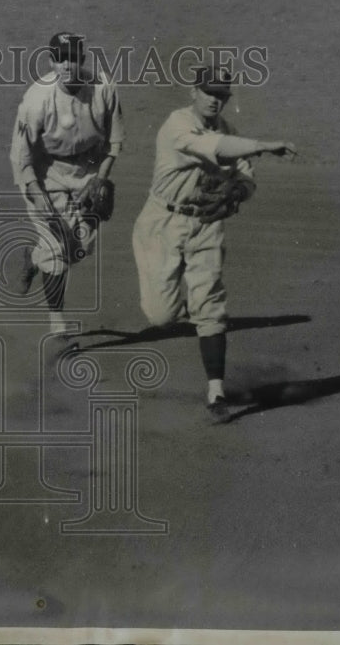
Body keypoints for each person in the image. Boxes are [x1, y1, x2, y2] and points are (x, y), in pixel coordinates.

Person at [131, 63, 296, 422]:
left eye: (222, 95)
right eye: (209, 93)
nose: (215, 101)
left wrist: (238, 189)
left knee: (211, 309)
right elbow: (217, 149)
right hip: (162, 222)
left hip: (205, 225)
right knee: (161, 315)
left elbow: (247, 177)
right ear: (194, 92)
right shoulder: (176, 125)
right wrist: (265, 145)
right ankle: (190, 306)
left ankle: (216, 393)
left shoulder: (229, 130)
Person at [8, 31, 126, 334]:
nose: (67, 65)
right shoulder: (37, 99)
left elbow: (114, 142)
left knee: (79, 247)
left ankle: (31, 258)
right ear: (52, 62)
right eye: (60, 59)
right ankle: (57, 326)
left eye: (73, 58)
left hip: (87, 171)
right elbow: (20, 157)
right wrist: (37, 194)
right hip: (44, 172)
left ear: (82, 59)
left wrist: (100, 179)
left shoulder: (103, 88)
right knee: (54, 248)